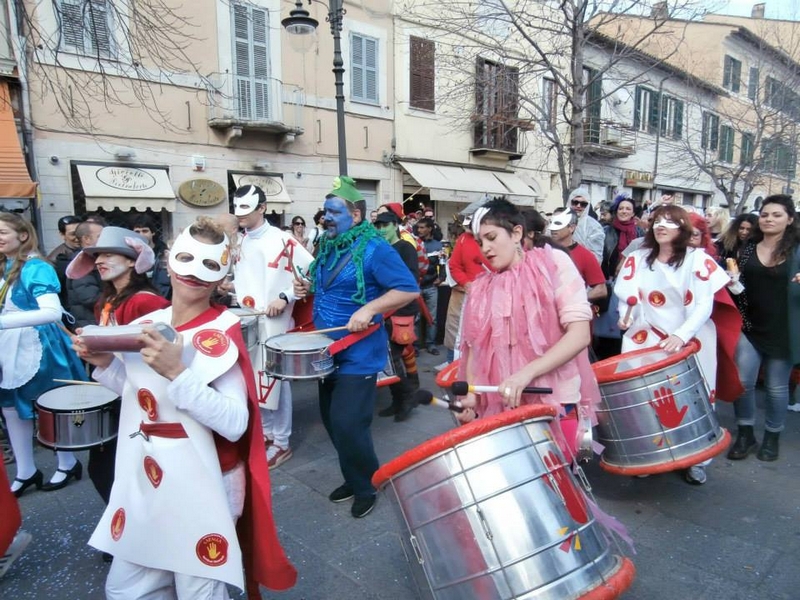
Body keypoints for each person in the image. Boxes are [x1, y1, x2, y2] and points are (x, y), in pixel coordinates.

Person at [75, 217, 297, 598]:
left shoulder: (222, 331)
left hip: (205, 481)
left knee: (200, 590)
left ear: (222, 273)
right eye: (186, 258)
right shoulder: (149, 321)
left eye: (210, 265)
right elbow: (141, 397)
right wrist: (106, 366)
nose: (194, 273)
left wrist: (179, 372)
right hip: (146, 475)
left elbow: (235, 424)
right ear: (168, 260)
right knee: (128, 588)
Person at [293, 176, 418, 519]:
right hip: (325, 352)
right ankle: (354, 476)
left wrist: (370, 309)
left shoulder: (375, 248)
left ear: (357, 216)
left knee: (350, 424)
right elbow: (328, 287)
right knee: (333, 423)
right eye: (325, 212)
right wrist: (308, 290)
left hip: (359, 354)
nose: (326, 218)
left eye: (334, 211)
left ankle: (368, 485)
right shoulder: (329, 246)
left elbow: (408, 289)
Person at [454, 199, 599, 458]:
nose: (485, 249)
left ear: (517, 232)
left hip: (555, 402)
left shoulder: (554, 264)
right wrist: (473, 394)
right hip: (502, 408)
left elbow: (579, 334)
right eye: (480, 242)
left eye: (491, 237)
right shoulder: (481, 286)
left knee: (560, 485)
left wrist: (525, 374)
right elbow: (476, 347)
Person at [614, 205, 729, 484]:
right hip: (646, 336)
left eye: (670, 221)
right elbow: (626, 296)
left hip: (689, 339)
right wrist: (625, 318)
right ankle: (647, 454)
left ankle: (697, 458)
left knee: (691, 397)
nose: (660, 226)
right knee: (643, 397)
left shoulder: (698, 260)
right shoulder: (638, 259)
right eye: (657, 221)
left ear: (683, 228)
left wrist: (682, 335)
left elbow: (703, 303)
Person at [65, 227, 170, 506]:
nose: (100, 260)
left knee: (113, 470)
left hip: (141, 399)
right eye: (97, 255)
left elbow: (157, 361)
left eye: (110, 254)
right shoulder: (106, 302)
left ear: (133, 261)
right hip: (118, 391)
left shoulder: (147, 302)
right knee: (106, 470)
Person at [0, 213, 88, 496]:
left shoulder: (36, 267)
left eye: (2, 232)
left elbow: (51, 312)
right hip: (9, 346)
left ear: (22, 235)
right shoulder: (5, 267)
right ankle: (26, 470)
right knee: (11, 409)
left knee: (52, 406)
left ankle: (68, 461)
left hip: (39, 345)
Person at [232, 185, 314, 469]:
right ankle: (266, 434)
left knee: (274, 382)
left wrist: (285, 296)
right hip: (247, 317)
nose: (240, 216)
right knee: (252, 381)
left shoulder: (283, 239)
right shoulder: (240, 240)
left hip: (274, 321)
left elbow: (309, 273)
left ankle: (281, 441)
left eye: (247, 210)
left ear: (262, 208)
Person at [727, 195, 800, 462]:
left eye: (777, 215)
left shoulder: (798, 250)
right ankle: (745, 434)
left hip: (784, 328)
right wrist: (733, 283)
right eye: (765, 214)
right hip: (749, 325)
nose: (769, 219)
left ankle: (772, 437)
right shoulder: (748, 248)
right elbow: (740, 288)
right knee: (743, 382)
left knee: (776, 387)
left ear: (790, 219)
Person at [374, 211, 421, 421]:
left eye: (385, 225)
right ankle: (399, 400)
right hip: (384, 311)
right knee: (392, 359)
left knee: (393, 357)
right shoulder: (381, 249)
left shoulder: (405, 247)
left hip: (401, 310)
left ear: (395, 225)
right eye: (379, 226)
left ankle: (407, 398)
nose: (381, 229)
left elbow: (411, 279)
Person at [444, 211, 493, 364]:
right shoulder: (464, 239)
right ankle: (453, 367)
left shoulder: (495, 240)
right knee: (457, 332)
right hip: (466, 293)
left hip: (492, 295)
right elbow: (454, 265)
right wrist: (466, 283)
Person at [548, 211, 608, 304]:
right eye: (551, 222)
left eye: (558, 223)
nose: (553, 228)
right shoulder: (542, 251)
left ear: (571, 228)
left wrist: (575, 299)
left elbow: (601, 289)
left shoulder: (585, 255)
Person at [66, 217, 105, 329]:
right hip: (91, 325)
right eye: (100, 236)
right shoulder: (82, 262)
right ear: (87, 239)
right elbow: (90, 298)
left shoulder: (92, 258)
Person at [415, 217, 443, 355]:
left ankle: (430, 344)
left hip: (431, 285)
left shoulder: (438, 245)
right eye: (418, 227)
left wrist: (441, 277)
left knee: (432, 317)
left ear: (429, 229)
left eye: (422, 227)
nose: (419, 230)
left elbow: (443, 262)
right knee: (416, 317)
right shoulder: (413, 242)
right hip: (417, 285)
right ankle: (415, 346)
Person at [601, 195, 643, 280]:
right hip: (609, 279)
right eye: (620, 209)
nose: (624, 211)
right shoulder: (605, 231)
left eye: (628, 209)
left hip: (633, 278)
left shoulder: (640, 232)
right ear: (616, 212)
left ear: (633, 213)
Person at [131, 214, 172, 298]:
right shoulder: (129, 254)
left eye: (145, 231)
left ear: (152, 232)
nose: (141, 235)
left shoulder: (164, 254)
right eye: (137, 232)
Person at [46, 214, 82, 307]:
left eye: (80, 232)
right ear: (62, 235)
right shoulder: (53, 260)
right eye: (73, 234)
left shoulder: (88, 250)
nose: (78, 237)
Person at [567, 188, 605, 264]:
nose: (578, 206)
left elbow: (596, 257)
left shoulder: (594, 226)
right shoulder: (559, 220)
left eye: (583, 204)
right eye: (575, 202)